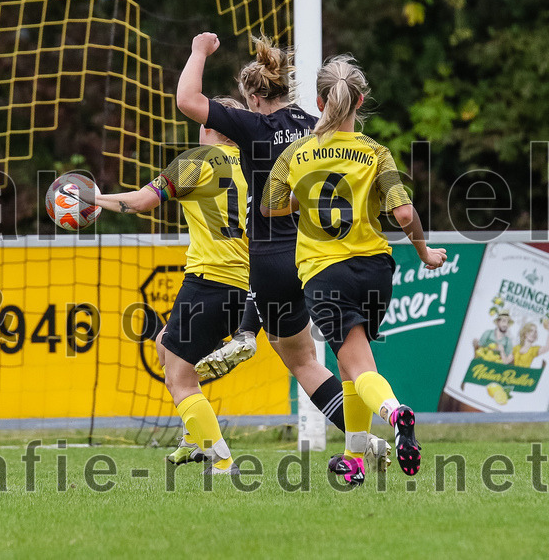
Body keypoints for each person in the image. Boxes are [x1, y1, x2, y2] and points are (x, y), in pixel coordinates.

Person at [176, 32, 388, 470]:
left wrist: (198, 52)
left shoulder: (252, 126)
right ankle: (362, 443)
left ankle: (245, 334)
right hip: (317, 257)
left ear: (253, 97)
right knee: (337, 363)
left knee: (299, 360)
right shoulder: (317, 123)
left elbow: (188, 101)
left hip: (269, 258)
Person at [262, 55, 446, 484]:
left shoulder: (296, 153)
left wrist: (304, 202)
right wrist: (423, 253)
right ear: (360, 100)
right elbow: (403, 214)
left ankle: (396, 413)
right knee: (350, 366)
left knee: (360, 367)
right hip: (376, 270)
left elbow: (271, 207)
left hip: (327, 274)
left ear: (320, 100)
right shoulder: (376, 153)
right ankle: (355, 459)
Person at [80, 105, 249, 475]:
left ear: (210, 127)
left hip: (210, 280)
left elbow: (142, 202)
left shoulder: (201, 159)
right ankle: (193, 438)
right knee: (164, 345)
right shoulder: (254, 163)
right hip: (244, 286)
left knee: (179, 379)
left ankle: (220, 460)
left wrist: (92, 200)